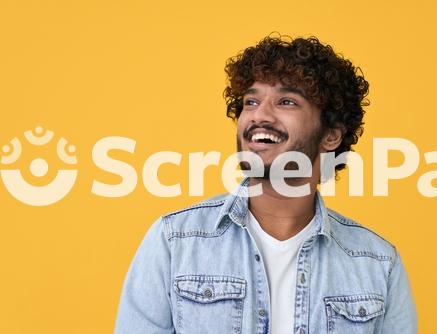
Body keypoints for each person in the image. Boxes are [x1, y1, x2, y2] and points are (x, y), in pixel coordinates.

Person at [114, 34, 417, 334]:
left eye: (286, 102)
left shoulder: (378, 264)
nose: (259, 114)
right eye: (251, 101)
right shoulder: (175, 241)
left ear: (331, 136)